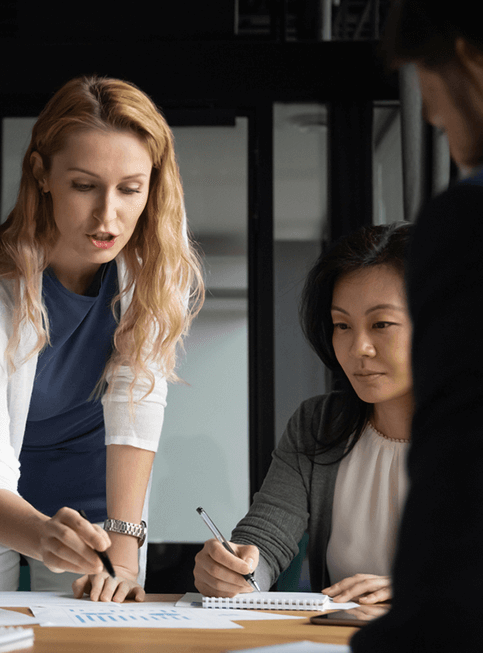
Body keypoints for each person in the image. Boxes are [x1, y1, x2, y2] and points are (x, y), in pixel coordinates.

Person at [0, 75, 204, 603]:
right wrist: (41, 534)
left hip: (96, 490)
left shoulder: (157, 280)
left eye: (130, 189)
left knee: (98, 632)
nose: (107, 216)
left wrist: (125, 550)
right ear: (42, 175)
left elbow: (136, 415)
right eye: (84, 185)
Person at [351, 2, 483, 650]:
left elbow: (461, 471)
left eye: (428, 84)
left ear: (466, 60)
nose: (431, 114)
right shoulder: (319, 426)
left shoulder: (466, 225)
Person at [193, 223, 413, 605]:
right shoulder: (318, 423)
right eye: (342, 325)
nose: (358, 347)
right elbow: (268, 535)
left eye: (381, 324)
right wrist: (237, 571)